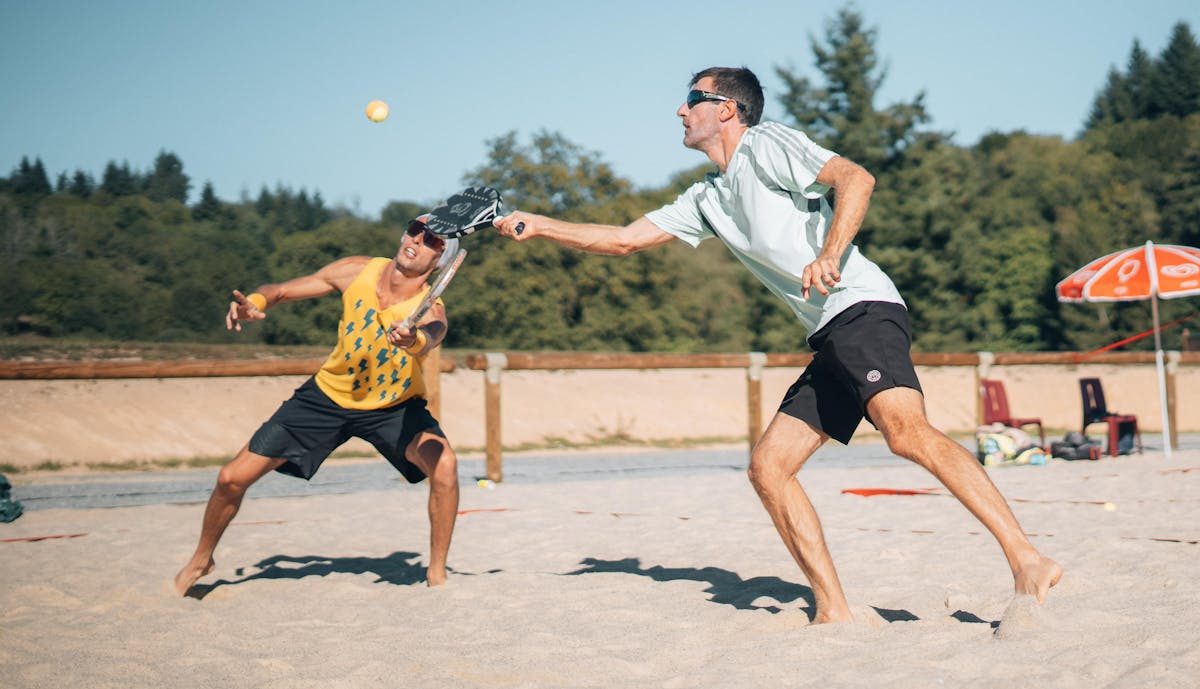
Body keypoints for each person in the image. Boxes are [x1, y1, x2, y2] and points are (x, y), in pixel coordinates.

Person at [493, 66, 1061, 624]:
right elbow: (623, 240)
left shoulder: (766, 146)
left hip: (861, 307)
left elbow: (856, 178)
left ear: (727, 109)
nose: (679, 109)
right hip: (830, 333)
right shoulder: (707, 198)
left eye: (692, 97)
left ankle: (1027, 560)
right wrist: (538, 224)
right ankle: (834, 608)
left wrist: (832, 253)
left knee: (906, 433)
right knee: (769, 467)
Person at [174, 217, 461, 596]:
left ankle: (436, 573)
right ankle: (202, 558)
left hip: (394, 407)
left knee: (445, 466)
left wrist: (412, 340)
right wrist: (255, 303)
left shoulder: (430, 306)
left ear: (441, 260)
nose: (417, 240)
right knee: (231, 479)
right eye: (414, 229)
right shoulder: (356, 270)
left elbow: (431, 336)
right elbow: (278, 291)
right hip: (326, 397)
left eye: (431, 240)